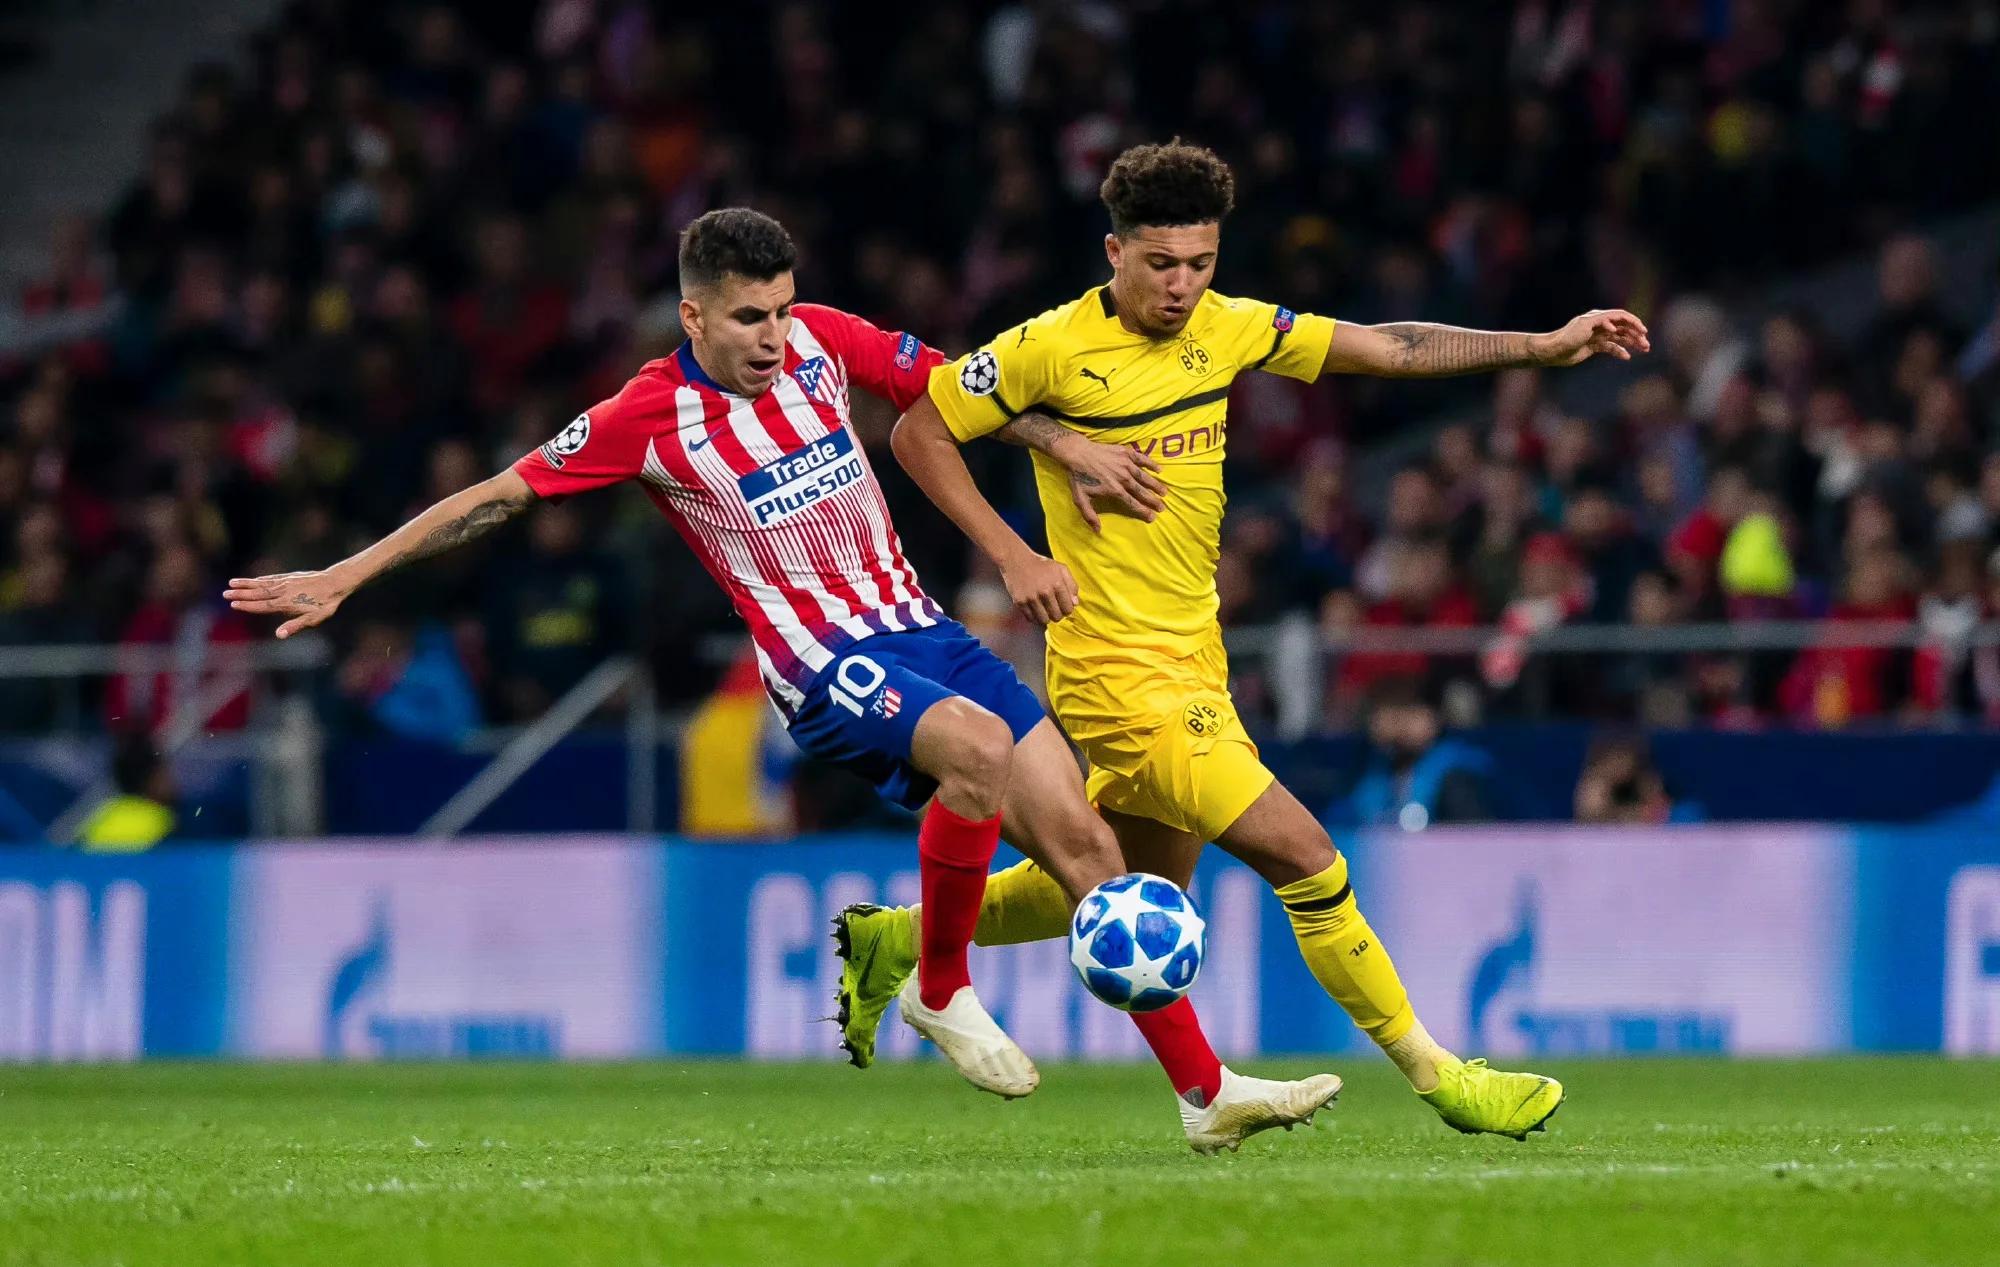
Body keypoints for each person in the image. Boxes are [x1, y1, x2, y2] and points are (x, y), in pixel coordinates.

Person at [225, 207, 1336, 1150]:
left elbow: (963, 391)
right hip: (820, 663)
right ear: (693, 317)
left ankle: (1204, 1093)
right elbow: (497, 496)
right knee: (979, 751)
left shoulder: (825, 342)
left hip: (923, 631)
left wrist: (1066, 444)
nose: (773, 336)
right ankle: (940, 986)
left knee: (1088, 845)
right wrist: (347, 574)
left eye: (782, 310)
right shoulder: (644, 417)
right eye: (748, 318)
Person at [866, 140, 1650, 1140]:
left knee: (1127, 884)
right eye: (1161, 263)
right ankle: (1443, 1076)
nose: (1181, 285)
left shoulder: (1230, 326)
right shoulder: (1047, 347)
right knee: (1306, 855)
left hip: (1195, 659)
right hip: (1116, 675)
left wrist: (1538, 346)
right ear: (1114, 252)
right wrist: (1016, 554)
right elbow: (918, 431)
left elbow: (1391, 346)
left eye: (1200, 262)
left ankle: (897, 941)